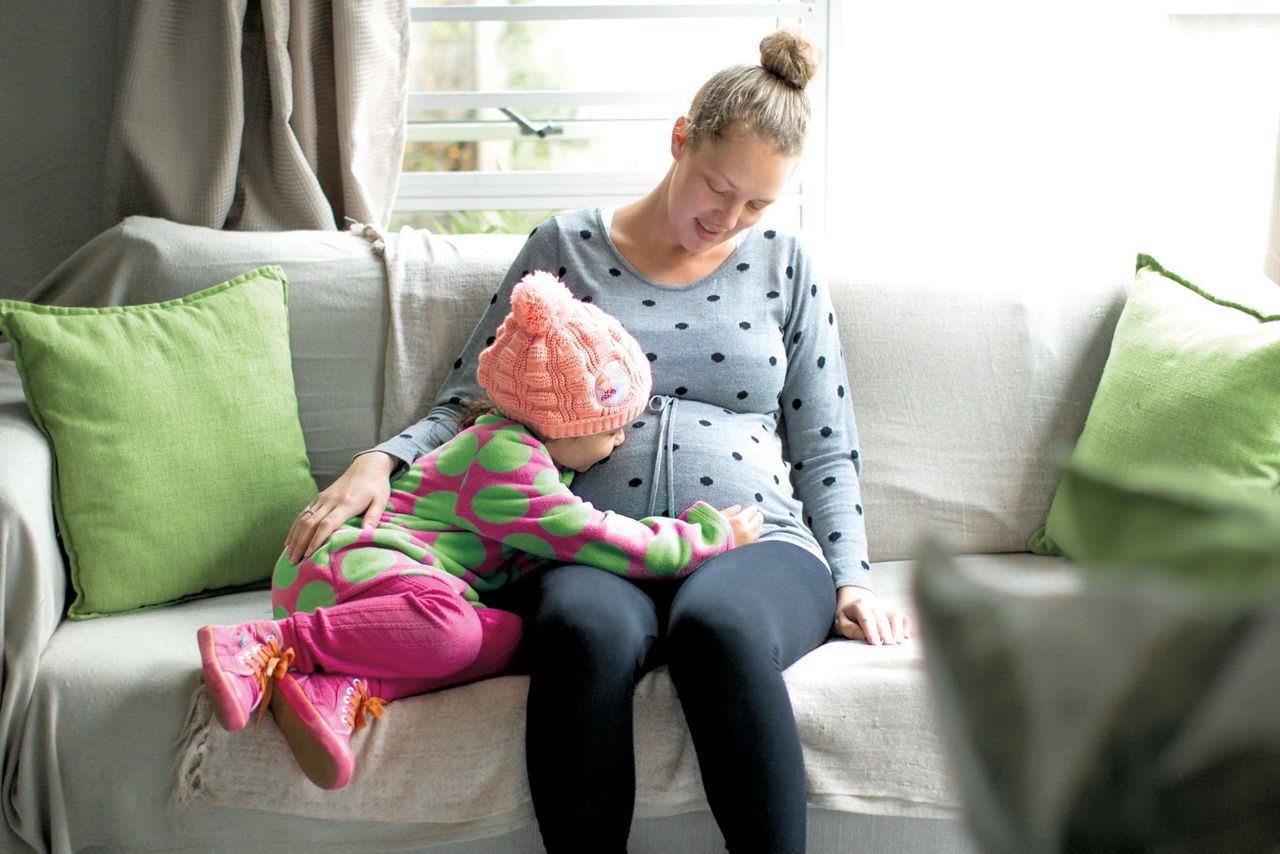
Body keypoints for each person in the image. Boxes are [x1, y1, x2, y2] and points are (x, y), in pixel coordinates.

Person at [286, 27, 911, 852]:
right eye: (719, 189)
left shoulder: (785, 264)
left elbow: (826, 444)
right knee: (584, 633)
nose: (729, 219)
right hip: (584, 546)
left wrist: (853, 577)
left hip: (754, 542)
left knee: (716, 630)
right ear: (681, 140)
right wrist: (382, 457)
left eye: (758, 204)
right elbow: (474, 397)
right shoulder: (564, 249)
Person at [198, 270, 762, 791]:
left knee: (512, 638)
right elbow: (597, 537)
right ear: (560, 425)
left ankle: (339, 686)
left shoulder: (522, 448)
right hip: (350, 564)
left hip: (377, 583)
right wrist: (706, 535)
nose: (621, 441)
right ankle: (273, 643)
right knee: (454, 631)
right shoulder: (506, 461)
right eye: (614, 426)